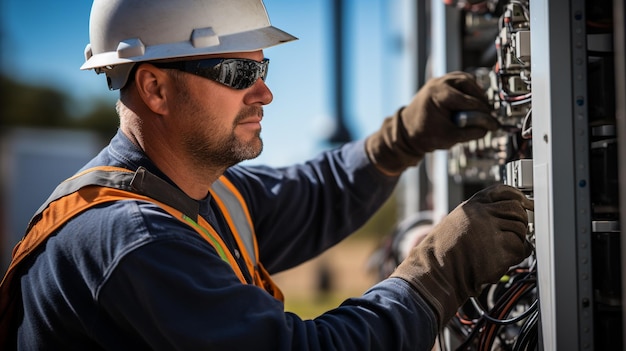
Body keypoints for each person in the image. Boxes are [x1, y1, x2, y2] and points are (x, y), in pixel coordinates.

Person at [0, 0, 534, 349]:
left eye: (263, 69)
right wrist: (437, 275)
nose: (265, 93)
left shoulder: (202, 193)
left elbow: (315, 194)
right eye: (237, 73)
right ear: (155, 88)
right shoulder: (133, 240)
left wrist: (399, 140)